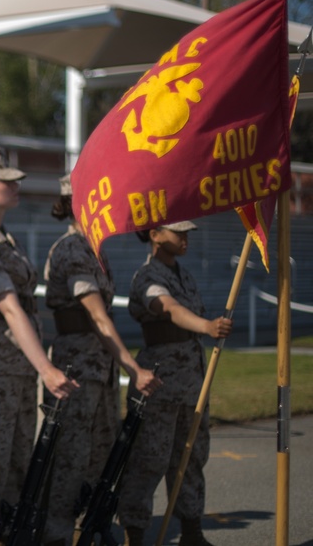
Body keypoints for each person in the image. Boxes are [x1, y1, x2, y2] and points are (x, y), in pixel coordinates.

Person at [0, 147, 78, 546]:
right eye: (4, 179)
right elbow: (8, 308)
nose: (15, 184)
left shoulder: (5, 240)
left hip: (16, 367)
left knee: (18, 467)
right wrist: (47, 367)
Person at [41, 174, 161, 546]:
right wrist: (132, 367)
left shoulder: (94, 249)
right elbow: (96, 314)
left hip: (99, 368)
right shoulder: (73, 247)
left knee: (99, 455)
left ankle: (90, 526)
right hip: (78, 367)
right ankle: (58, 534)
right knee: (70, 457)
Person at [117, 221, 232, 546]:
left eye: (187, 233)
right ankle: (135, 535)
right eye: (177, 233)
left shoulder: (184, 274)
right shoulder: (148, 277)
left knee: (191, 457)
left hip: (191, 381)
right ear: (154, 235)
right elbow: (169, 308)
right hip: (160, 382)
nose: (185, 238)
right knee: (150, 460)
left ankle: (192, 533)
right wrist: (206, 326)